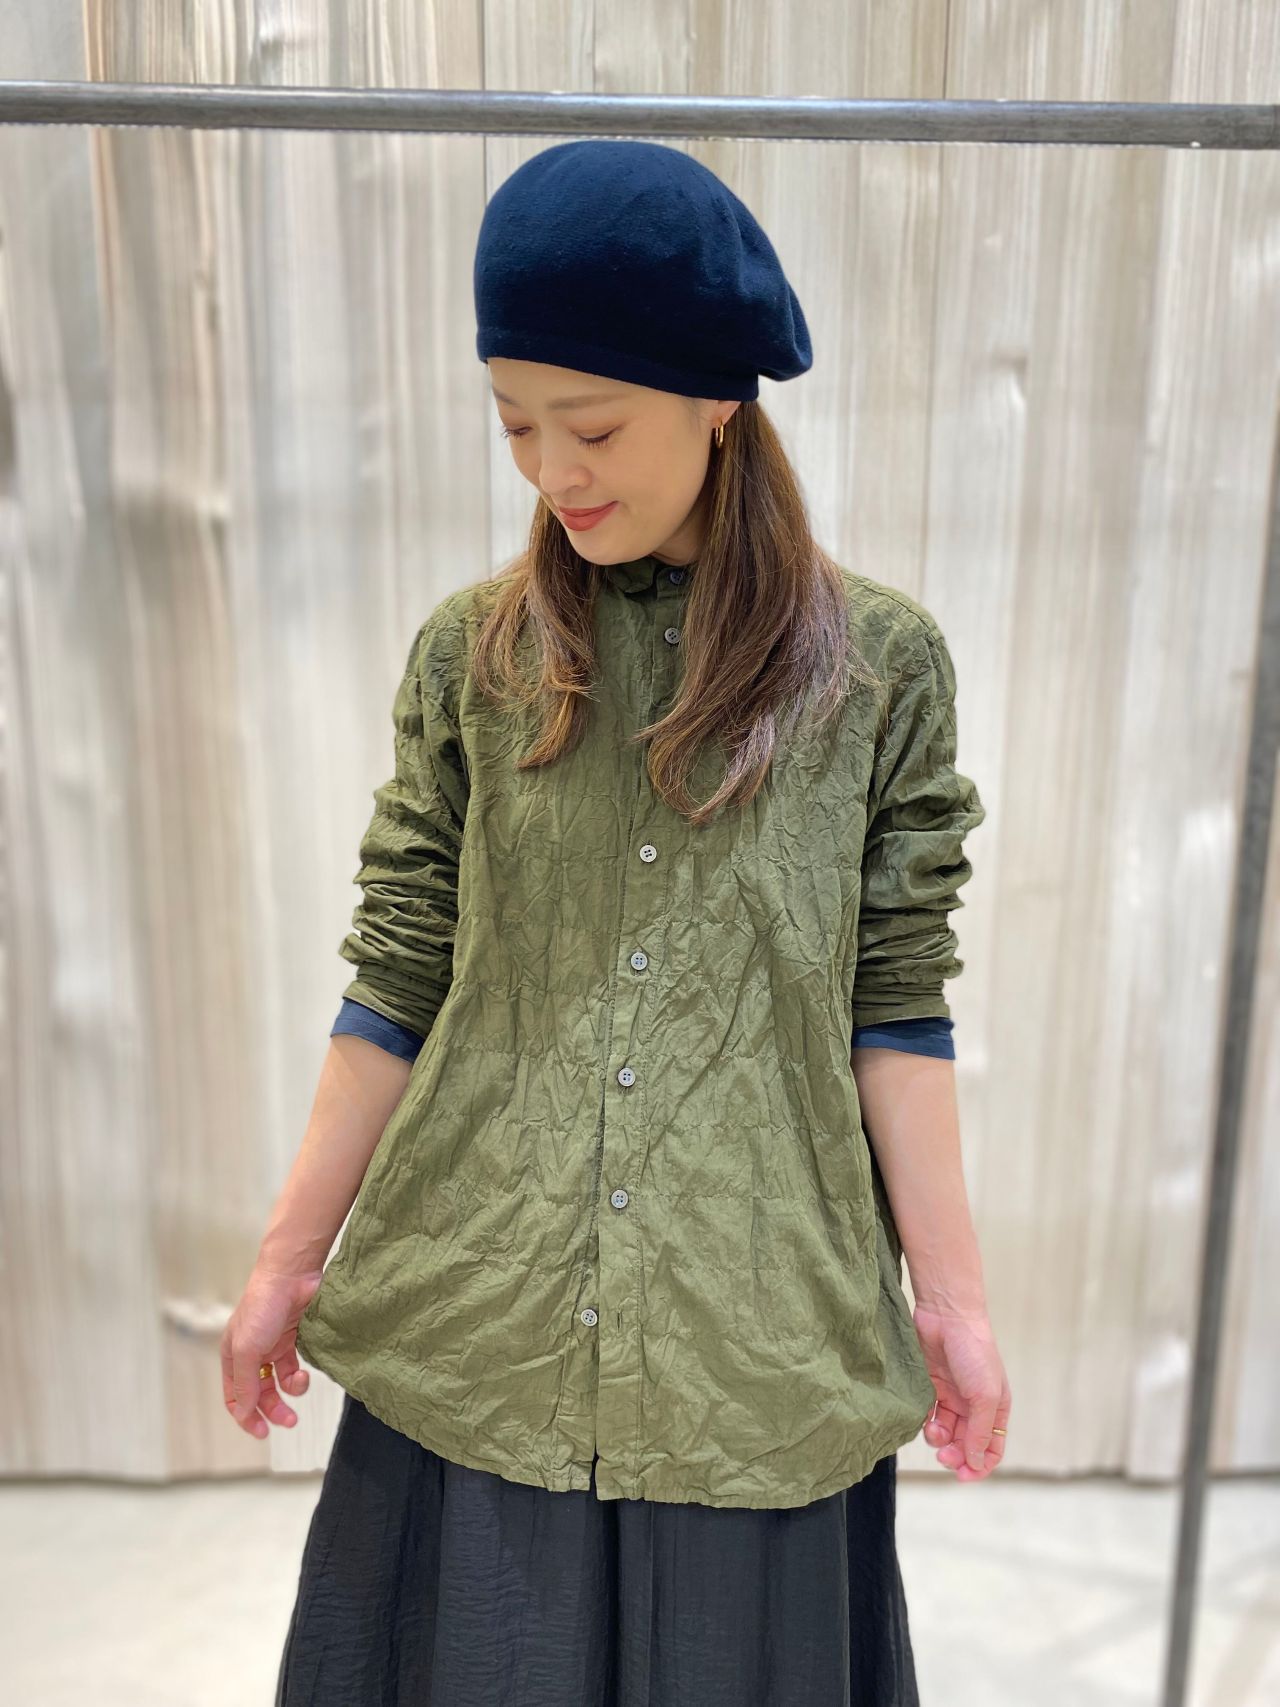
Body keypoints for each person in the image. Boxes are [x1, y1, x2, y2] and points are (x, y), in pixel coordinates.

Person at [221, 139, 1011, 1704]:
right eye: (514, 424)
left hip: (752, 1337)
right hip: (483, 1315)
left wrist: (957, 1305)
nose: (552, 473)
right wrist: (282, 1262)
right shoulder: (476, 657)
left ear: (719, 398)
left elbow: (896, 1006)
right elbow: (398, 975)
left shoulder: (878, 675)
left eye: (592, 426)